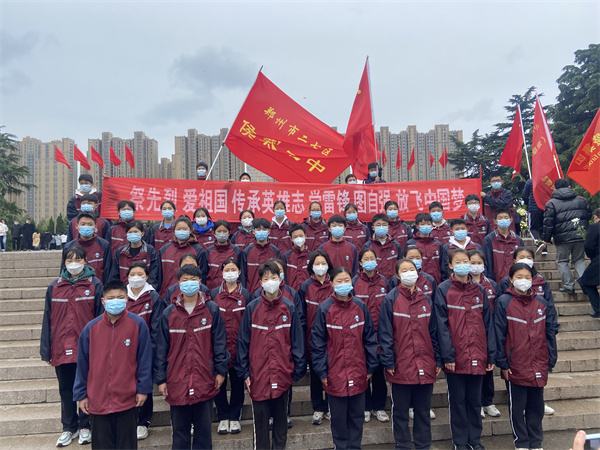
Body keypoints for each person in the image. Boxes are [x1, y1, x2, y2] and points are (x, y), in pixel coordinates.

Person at [154, 264, 230, 449]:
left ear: (200, 282)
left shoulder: (211, 309)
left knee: (203, 431)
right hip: (177, 379)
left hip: (204, 377)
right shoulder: (169, 313)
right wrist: (161, 379)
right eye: (185, 280)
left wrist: (221, 371)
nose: (189, 283)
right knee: (180, 431)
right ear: (179, 283)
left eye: (193, 279)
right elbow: (161, 348)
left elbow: (219, 342)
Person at [73, 280, 153, 450]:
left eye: (120, 297)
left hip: (127, 399)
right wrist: (81, 394)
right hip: (98, 399)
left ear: (127, 299)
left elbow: (145, 360)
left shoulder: (138, 325)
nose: (116, 301)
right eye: (111, 298)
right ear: (103, 301)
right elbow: (82, 365)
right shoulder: (90, 329)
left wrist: (143, 389)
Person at [236, 261, 306, 450]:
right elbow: (243, 341)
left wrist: (296, 370)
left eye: (273, 277)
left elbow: (297, 341)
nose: (270, 281)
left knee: (281, 421)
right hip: (258, 375)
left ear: (280, 279)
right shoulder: (252, 308)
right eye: (266, 278)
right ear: (260, 283)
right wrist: (244, 372)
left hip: (282, 372)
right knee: (260, 424)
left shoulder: (289, 307)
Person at [40, 246, 103, 447]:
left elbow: (100, 318)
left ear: (85, 261)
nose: (73, 263)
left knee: (86, 387)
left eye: (78, 259)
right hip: (61, 346)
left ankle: (85, 425)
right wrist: (46, 350)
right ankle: (69, 427)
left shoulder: (95, 285)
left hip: (86, 347)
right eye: (69, 259)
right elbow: (47, 319)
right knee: (65, 389)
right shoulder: (55, 286)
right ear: (64, 262)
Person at [310, 266, 379, 450]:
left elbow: (369, 338)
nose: (343, 284)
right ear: (332, 284)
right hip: (335, 373)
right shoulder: (325, 309)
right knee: (339, 419)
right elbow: (317, 344)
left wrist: (370, 366)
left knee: (357, 417)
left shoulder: (360, 306)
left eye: (347, 280)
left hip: (358, 371)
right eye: (339, 281)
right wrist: (322, 371)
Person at [435, 248, 496, 450]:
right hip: (456, 356)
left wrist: (490, 354)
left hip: (478, 353)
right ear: (450, 265)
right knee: (458, 401)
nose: (463, 265)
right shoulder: (444, 290)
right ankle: (460, 441)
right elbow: (441, 326)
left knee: (474, 400)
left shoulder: (479, 290)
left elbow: (488, 323)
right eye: (458, 262)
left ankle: (474, 440)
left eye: (466, 261)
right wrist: (448, 355)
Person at [379, 258, 442, 450]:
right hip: (401, 364)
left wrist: (437, 359)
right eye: (404, 270)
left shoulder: (426, 300)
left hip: (425, 363)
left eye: (412, 269)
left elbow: (434, 333)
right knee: (400, 411)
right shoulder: (390, 299)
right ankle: (403, 445)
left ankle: (423, 445)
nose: (409, 273)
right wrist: (389, 361)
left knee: (423, 410)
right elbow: (385, 334)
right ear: (398, 276)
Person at [494, 263, 557, 450]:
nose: (524, 280)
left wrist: (551, 358)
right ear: (511, 280)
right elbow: (499, 334)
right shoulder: (504, 302)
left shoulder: (541, 303)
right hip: (516, 364)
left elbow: (549, 332)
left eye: (528, 277)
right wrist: (503, 363)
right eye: (519, 277)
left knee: (536, 407)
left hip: (538, 362)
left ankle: (536, 442)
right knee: (517, 408)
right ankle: (521, 442)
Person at [210, 258, 251, 435]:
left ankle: (234, 416)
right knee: (218, 383)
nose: (230, 273)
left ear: (239, 272)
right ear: (222, 273)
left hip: (239, 348)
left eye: (233, 269)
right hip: (219, 347)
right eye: (227, 270)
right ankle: (222, 416)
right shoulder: (214, 294)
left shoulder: (245, 295)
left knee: (237, 384)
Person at [124, 261, 164, 441]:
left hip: (146, 349)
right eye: (133, 274)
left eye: (140, 274)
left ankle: (143, 421)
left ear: (147, 276)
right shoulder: (121, 295)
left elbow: (156, 327)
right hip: (124, 349)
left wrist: (151, 349)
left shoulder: (153, 296)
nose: (136, 277)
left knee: (144, 383)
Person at [352, 248, 389, 423]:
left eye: (372, 258)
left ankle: (379, 406)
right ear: (360, 263)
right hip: (362, 334)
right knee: (364, 370)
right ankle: (366, 406)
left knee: (379, 371)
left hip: (381, 333)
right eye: (365, 259)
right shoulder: (354, 282)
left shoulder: (384, 282)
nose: (369, 261)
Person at [298, 250, 334, 426]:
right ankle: (318, 407)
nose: (320, 267)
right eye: (317, 264)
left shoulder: (334, 284)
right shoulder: (306, 287)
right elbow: (301, 315)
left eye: (323, 263)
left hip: (334, 337)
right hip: (312, 338)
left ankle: (332, 405)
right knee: (315, 374)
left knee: (332, 372)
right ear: (311, 266)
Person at [542, 178, 592, 294]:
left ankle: (569, 286)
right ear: (569, 186)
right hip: (580, 235)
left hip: (562, 238)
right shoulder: (582, 200)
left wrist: (546, 239)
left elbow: (548, 223)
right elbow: (588, 215)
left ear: (555, 188)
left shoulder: (551, 203)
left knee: (562, 261)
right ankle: (585, 285)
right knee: (579, 260)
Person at [467, 249, 500, 419]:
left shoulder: (491, 284)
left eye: (479, 263)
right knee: (475, 371)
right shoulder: (465, 284)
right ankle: (477, 402)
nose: (476, 266)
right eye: (472, 262)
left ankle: (488, 402)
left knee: (488, 368)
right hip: (471, 331)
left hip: (489, 330)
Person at [158, 216, 207, 297]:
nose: (181, 231)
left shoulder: (198, 250)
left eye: (184, 229)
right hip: (167, 294)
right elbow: (158, 276)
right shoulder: (164, 250)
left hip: (191, 295)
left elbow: (202, 275)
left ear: (190, 230)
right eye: (179, 229)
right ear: (174, 230)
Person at [109, 221, 160, 290]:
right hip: (124, 291)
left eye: (136, 232)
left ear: (142, 233)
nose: (133, 234)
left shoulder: (150, 250)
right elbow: (114, 274)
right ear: (126, 234)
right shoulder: (120, 252)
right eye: (130, 232)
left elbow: (153, 274)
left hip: (144, 291)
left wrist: (150, 290)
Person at [63, 213, 112, 283]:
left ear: (95, 226)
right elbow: (64, 270)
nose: (86, 227)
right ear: (77, 226)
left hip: (98, 286)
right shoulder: (69, 247)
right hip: (75, 286)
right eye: (83, 224)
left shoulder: (104, 245)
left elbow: (108, 269)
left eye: (90, 224)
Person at [483, 208, 524, 283]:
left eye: (506, 217)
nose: (503, 220)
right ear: (495, 221)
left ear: (511, 220)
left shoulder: (517, 240)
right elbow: (487, 263)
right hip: (496, 281)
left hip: (515, 281)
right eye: (500, 218)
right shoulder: (489, 240)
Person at [204, 219, 245, 290]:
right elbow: (204, 273)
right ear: (214, 233)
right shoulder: (209, 251)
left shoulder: (236, 251)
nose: (222, 234)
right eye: (219, 231)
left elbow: (242, 274)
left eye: (225, 231)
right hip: (212, 290)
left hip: (233, 290)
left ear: (229, 233)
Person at [243, 218, 281, 293]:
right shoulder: (246, 252)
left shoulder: (275, 251)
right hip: (252, 292)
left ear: (269, 231)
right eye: (258, 229)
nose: (261, 231)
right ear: (253, 232)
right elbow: (243, 275)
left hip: (271, 292)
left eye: (264, 229)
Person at [364, 213, 403, 281]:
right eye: (378, 225)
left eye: (384, 225)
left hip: (393, 281)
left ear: (388, 227)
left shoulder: (396, 245)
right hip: (375, 282)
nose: (381, 227)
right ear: (373, 228)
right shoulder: (368, 246)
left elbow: (401, 264)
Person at [405, 213, 443, 284]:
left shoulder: (437, 244)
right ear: (417, 226)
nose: (426, 226)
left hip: (435, 282)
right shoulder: (410, 244)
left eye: (428, 224)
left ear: (432, 225)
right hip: (415, 282)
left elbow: (442, 266)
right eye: (423, 224)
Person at [580, 208, 600, 318]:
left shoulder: (594, 227)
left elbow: (589, 246)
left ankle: (598, 309)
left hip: (598, 260)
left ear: (596, 217)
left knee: (586, 282)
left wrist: (592, 256)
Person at [283, 223, 312, 292]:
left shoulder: (311, 256)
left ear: (305, 236)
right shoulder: (286, 256)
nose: (299, 239)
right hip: (291, 292)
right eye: (295, 237)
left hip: (307, 293)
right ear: (291, 239)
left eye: (301, 236)